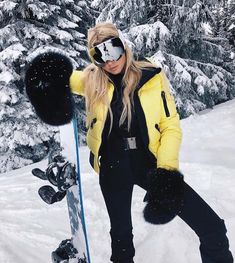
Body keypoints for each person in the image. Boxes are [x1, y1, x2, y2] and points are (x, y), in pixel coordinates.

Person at [25, 22, 234, 263]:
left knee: (213, 229)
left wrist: (166, 172)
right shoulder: (91, 80)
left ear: (123, 46)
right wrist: (41, 77)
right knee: (122, 242)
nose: (110, 61)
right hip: (113, 166)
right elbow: (51, 78)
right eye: (99, 55)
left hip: (149, 163)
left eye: (112, 50)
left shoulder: (152, 76)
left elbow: (170, 126)